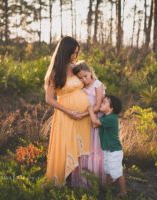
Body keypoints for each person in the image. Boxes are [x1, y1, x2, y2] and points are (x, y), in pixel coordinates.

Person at [44, 36, 91, 186]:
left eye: (77, 52)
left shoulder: (77, 67)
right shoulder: (56, 72)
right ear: (65, 51)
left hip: (83, 116)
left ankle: (78, 181)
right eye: (73, 52)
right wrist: (69, 111)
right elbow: (49, 99)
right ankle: (62, 180)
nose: (75, 56)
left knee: (80, 147)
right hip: (66, 115)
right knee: (66, 147)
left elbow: (90, 81)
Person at [71, 61, 106, 186]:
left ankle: (94, 180)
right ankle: (82, 180)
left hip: (95, 120)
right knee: (83, 147)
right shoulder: (81, 88)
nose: (83, 80)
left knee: (94, 149)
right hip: (83, 122)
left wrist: (83, 114)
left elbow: (97, 106)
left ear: (90, 72)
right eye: (80, 78)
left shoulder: (98, 85)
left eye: (85, 76)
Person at [88, 95, 127, 197]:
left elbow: (95, 122)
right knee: (108, 170)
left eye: (104, 103)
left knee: (117, 172)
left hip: (114, 151)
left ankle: (123, 192)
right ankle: (108, 188)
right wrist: (95, 120)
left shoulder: (112, 118)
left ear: (111, 108)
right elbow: (95, 125)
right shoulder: (105, 117)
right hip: (107, 150)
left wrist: (90, 110)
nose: (101, 104)